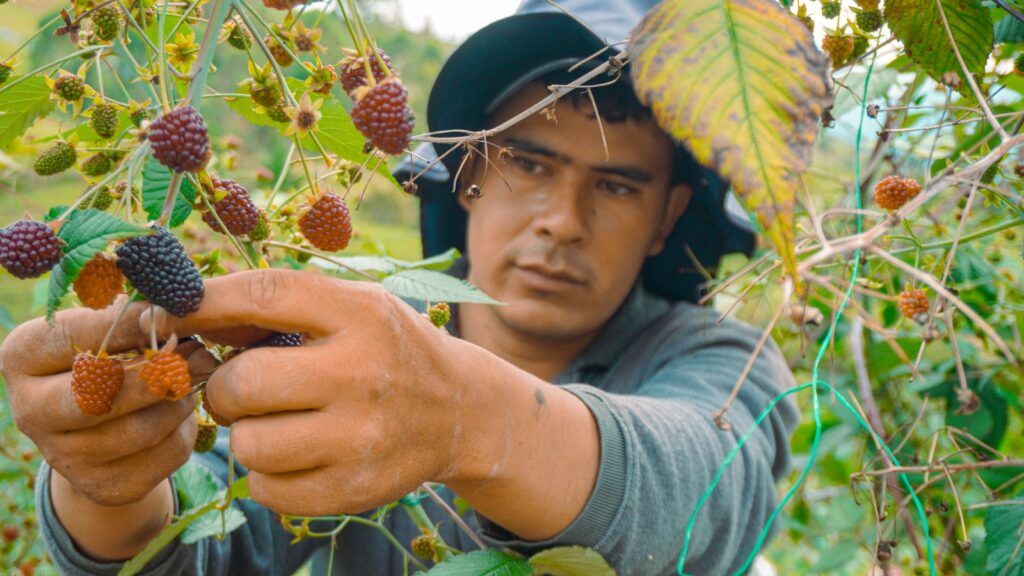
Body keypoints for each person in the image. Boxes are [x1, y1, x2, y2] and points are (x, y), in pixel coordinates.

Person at [0, 1, 799, 574]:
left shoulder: (720, 358)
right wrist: (110, 482)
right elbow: (201, 541)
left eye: (618, 186)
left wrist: (466, 420)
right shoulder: (353, 343)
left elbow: (701, 493)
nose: (563, 221)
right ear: (468, 173)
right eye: (528, 163)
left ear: (669, 218)